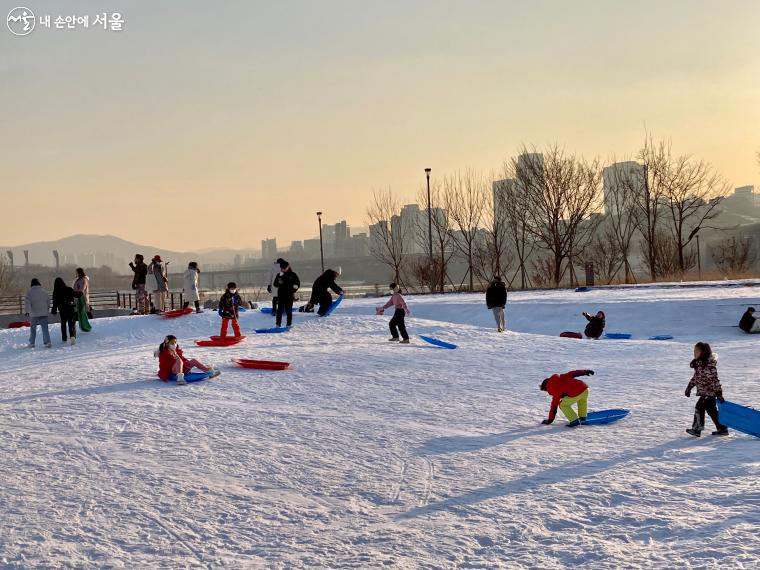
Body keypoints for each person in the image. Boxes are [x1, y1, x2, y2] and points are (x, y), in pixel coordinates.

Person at [685, 342, 728, 437]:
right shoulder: (699, 365)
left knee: (699, 407)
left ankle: (697, 429)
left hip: (709, 393)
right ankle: (722, 428)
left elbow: (714, 380)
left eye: (697, 351)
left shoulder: (708, 366)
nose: (694, 353)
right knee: (711, 411)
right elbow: (696, 378)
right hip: (705, 392)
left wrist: (719, 393)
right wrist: (689, 387)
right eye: (694, 351)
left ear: (703, 353)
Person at [155, 335, 219, 385]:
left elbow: (182, 358)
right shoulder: (164, 353)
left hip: (181, 367)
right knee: (178, 360)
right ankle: (180, 379)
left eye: (175, 342)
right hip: (172, 370)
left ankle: (208, 371)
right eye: (172, 343)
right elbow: (164, 365)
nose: (174, 344)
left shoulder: (176, 350)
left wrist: (187, 363)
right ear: (167, 344)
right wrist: (164, 375)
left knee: (193, 361)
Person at [51, 277, 82, 345]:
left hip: (62, 309)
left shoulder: (56, 291)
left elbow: (55, 302)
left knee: (63, 323)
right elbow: (76, 295)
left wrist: (54, 310)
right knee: (71, 323)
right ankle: (72, 336)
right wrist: (80, 293)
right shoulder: (68, 289)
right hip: (70, 307)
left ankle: (64, 338)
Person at [24, 278, 51, 348]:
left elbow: (27, 303)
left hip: (34, 314)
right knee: (45, 329)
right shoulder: (44, 291)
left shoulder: (29, 292)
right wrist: (46, 309)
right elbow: (48, 302)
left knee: (33, 329)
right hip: (43, 313)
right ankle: (47, 342)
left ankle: (32, 343)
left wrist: (27, 311)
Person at [273, 260, 300, 328]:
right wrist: (279, 282)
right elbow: (275, 284)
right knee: (280, 310)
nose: (283, 270)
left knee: (289, 310)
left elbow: (297, 284)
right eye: (282, 268)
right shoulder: (279, 275)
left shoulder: (293, 275)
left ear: (288, 267)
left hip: (289, 295)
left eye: (284, 268)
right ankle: (278, 325)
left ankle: (288, 324)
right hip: (281, 295)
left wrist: (294, 289)